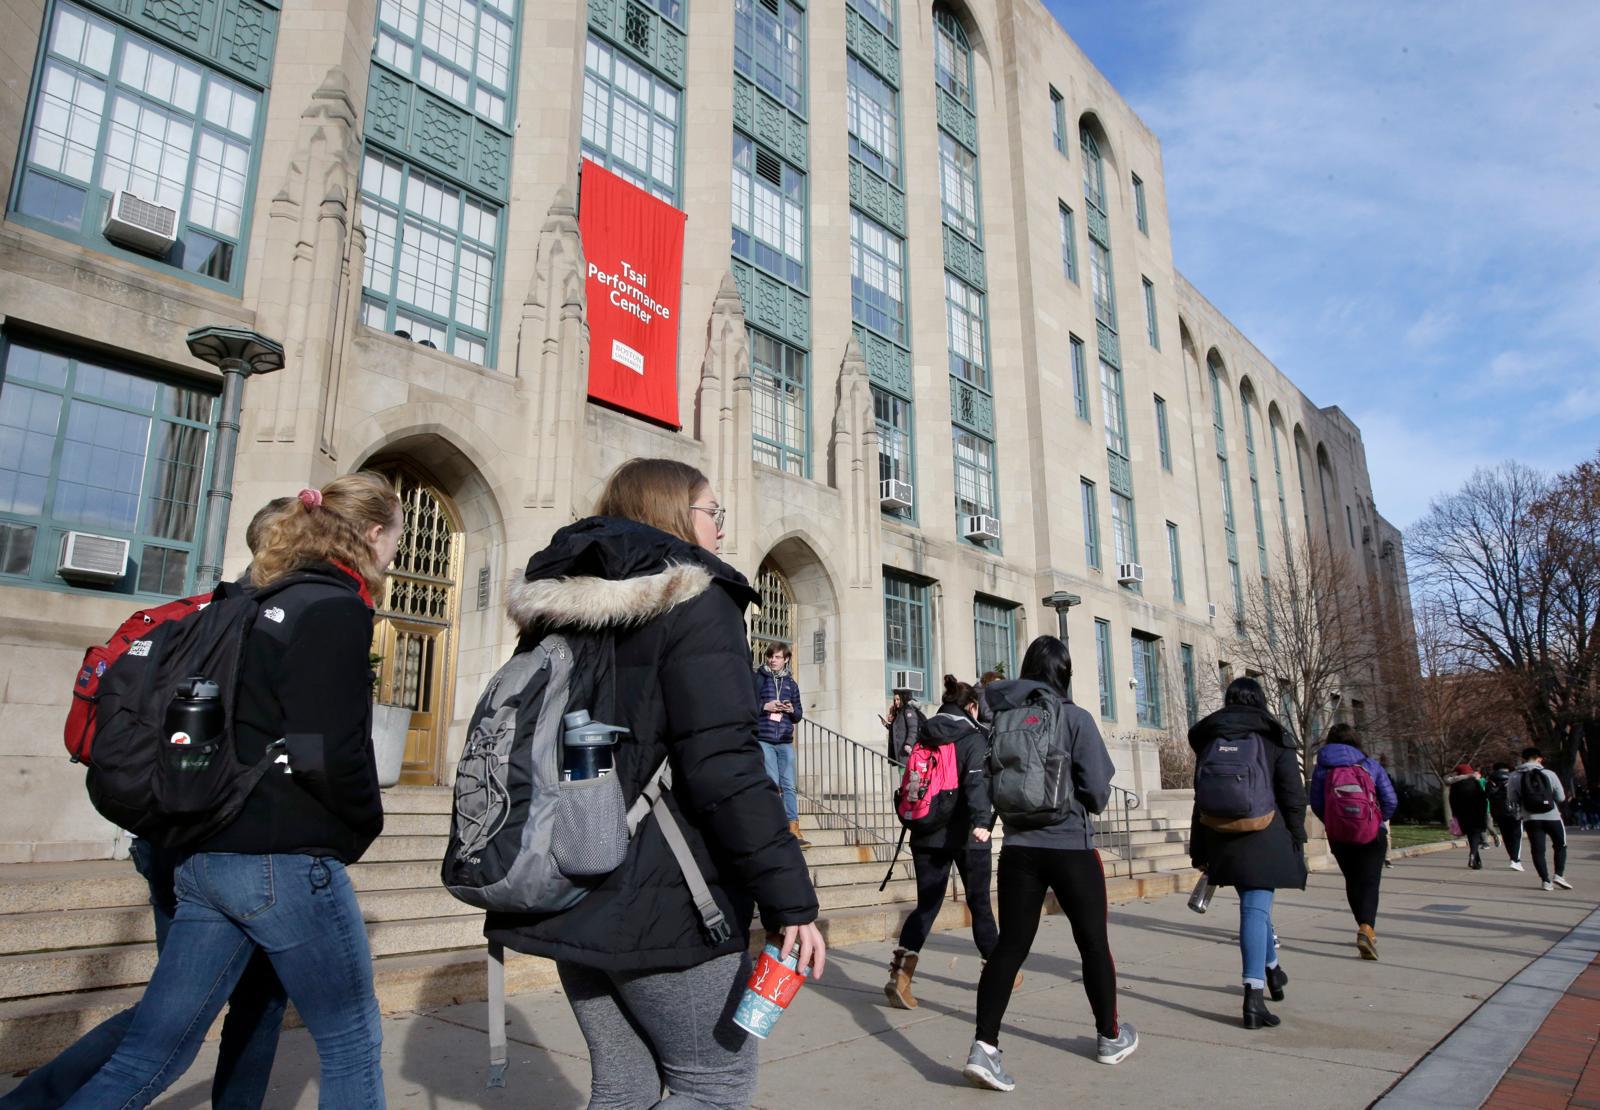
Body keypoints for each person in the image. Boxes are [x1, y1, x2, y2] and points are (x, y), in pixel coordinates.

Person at [486, 458, 824, 1109]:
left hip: (569, 882)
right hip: (666, 898)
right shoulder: (697, 601)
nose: (720, 531)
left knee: (625, 1083)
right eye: (712, 513)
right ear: (675, 515)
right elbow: (724, 763)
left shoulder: (554, 609)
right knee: (713, 1086)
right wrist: (791, 901)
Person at [61, 474, 402, 1109]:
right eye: (396, 540)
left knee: (147, 1056)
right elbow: (319, 747)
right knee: (351, 1041)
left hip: (209, 854)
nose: (395, 555)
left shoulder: (253, 600)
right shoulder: (331, 605)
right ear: (374, 534)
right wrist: (363, 823)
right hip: (283, 856)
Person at [1, 499, 298, 1110]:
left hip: (159, 832)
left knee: (234, 997)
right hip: (220, 842)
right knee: (189, 1012)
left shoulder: (185, 615)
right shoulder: (257, 624)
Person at [964, 636, 1136, 1092]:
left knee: (1010, 947)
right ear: (1065, 672)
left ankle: (984, 1048)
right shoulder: (1075, 718)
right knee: (1093, 945)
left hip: (1019, 849)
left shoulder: (1003, 719)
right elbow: (1098, 795)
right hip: (1072, 849)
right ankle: (1109, 1036)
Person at [1188, 676, 1307, 1031]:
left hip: (1220, 833)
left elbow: (1200, 795)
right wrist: (1298, 835)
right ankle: (1253, 997)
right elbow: (1292, 792)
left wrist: (1199, 847)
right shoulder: (1273, 735)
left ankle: (1273, 971)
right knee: (1256, 909)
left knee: (1257, 909)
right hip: (1262, 832)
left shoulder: (1211, 737)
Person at [884, 675, 997, 1011]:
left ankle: (900, 976)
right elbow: (977, 783)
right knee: (979, 904)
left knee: (927, 906)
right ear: (972, 706)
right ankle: (999, 971)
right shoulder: (974, 736)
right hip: (966, 836)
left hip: (925, 830)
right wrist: (981, 821)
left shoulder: (927, 729)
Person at [1308, 723, 1397, 960]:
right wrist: (1376, 819)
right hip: (1371, 832)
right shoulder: (1370, 765)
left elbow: (1316, 803)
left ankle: (1363, 926)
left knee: (1353, 881)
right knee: (1369, 882)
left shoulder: (1322, 769)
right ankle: (1367, 927)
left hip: (1339, 834)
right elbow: (1390, 800)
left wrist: (1333, 822)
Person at [754, 641, 807, 847]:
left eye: (777, 657)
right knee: (772, 782)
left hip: (785, 740)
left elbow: (799, 715)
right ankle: (773, 827)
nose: (772, 660)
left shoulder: (791, 685)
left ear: (786, 659)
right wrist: (765, 706)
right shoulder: (759, 679)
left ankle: (793, 827)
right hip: (764, 739)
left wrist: (791, 709)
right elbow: (748, 704)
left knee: (788, 785)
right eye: (770, 656)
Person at [1508, 747, 1572, 892]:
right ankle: (1559, 875)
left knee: (1538, 850)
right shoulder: (1549, 774)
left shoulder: (1514, 776)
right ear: (1540, 758)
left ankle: (1545, 881)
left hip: (1530, 818)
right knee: (1560, 845)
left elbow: (1512, 798)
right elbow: (1561, 797)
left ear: (1523, 759)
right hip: (1553, 816)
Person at [1446, 763, 1491, 869]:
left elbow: (1452, 801)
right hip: (1476, 813)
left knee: (1471, 837)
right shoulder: (1474, 782)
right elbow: (1482, 798)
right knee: (1475, 835)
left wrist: (1455, 814)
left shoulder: (1455, 785)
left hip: (1462, 815)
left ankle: (1476, 862)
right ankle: (1472, 854)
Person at [1486, 761, 1522, 869]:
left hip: (1498, 812)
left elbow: (1487, 795)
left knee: (1506, 835)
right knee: (1516, 835)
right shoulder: (1513, 778)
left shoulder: (1490, 780)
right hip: (1514, 811)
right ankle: (1516, 860)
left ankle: (1512, 857)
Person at [881, 690, 924, 764]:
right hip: (900, 752)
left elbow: (913, 729)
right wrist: (887, 725)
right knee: (902, 773)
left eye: (898, 699)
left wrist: (909, 744)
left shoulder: (908, 711)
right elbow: (899, 729)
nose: (895, 702)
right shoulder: (899, 713)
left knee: (906, 773)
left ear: (903, 699)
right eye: (894, 700)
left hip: (907, 752)